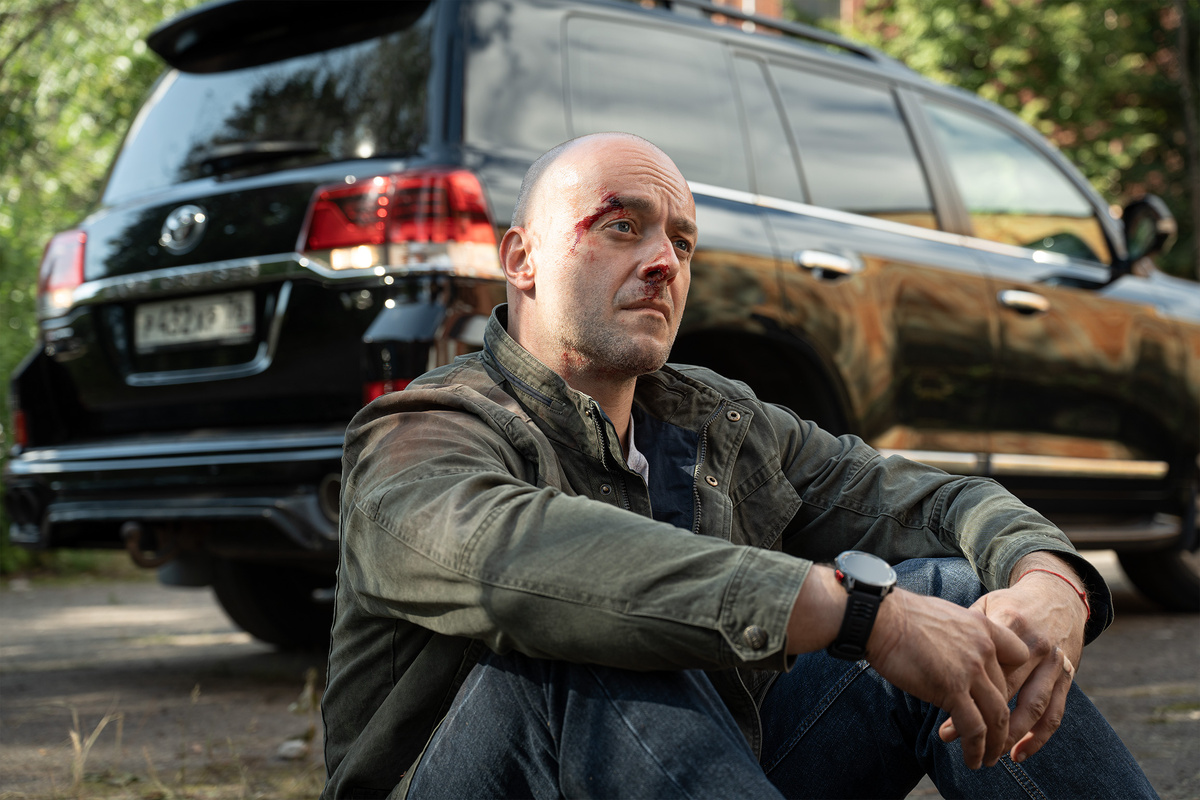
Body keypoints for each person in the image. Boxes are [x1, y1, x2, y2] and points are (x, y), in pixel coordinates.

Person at [321, 132, 1156, 799]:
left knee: (953, 592)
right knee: (586, 636)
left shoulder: (721, 421)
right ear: (521, 259)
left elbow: (925, 500)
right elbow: (522, 560)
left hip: (690, 771)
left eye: (682, 242)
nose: (664, 262)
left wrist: (1052, 581)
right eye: (622, 226)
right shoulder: (422, 431)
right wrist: (862, 615)